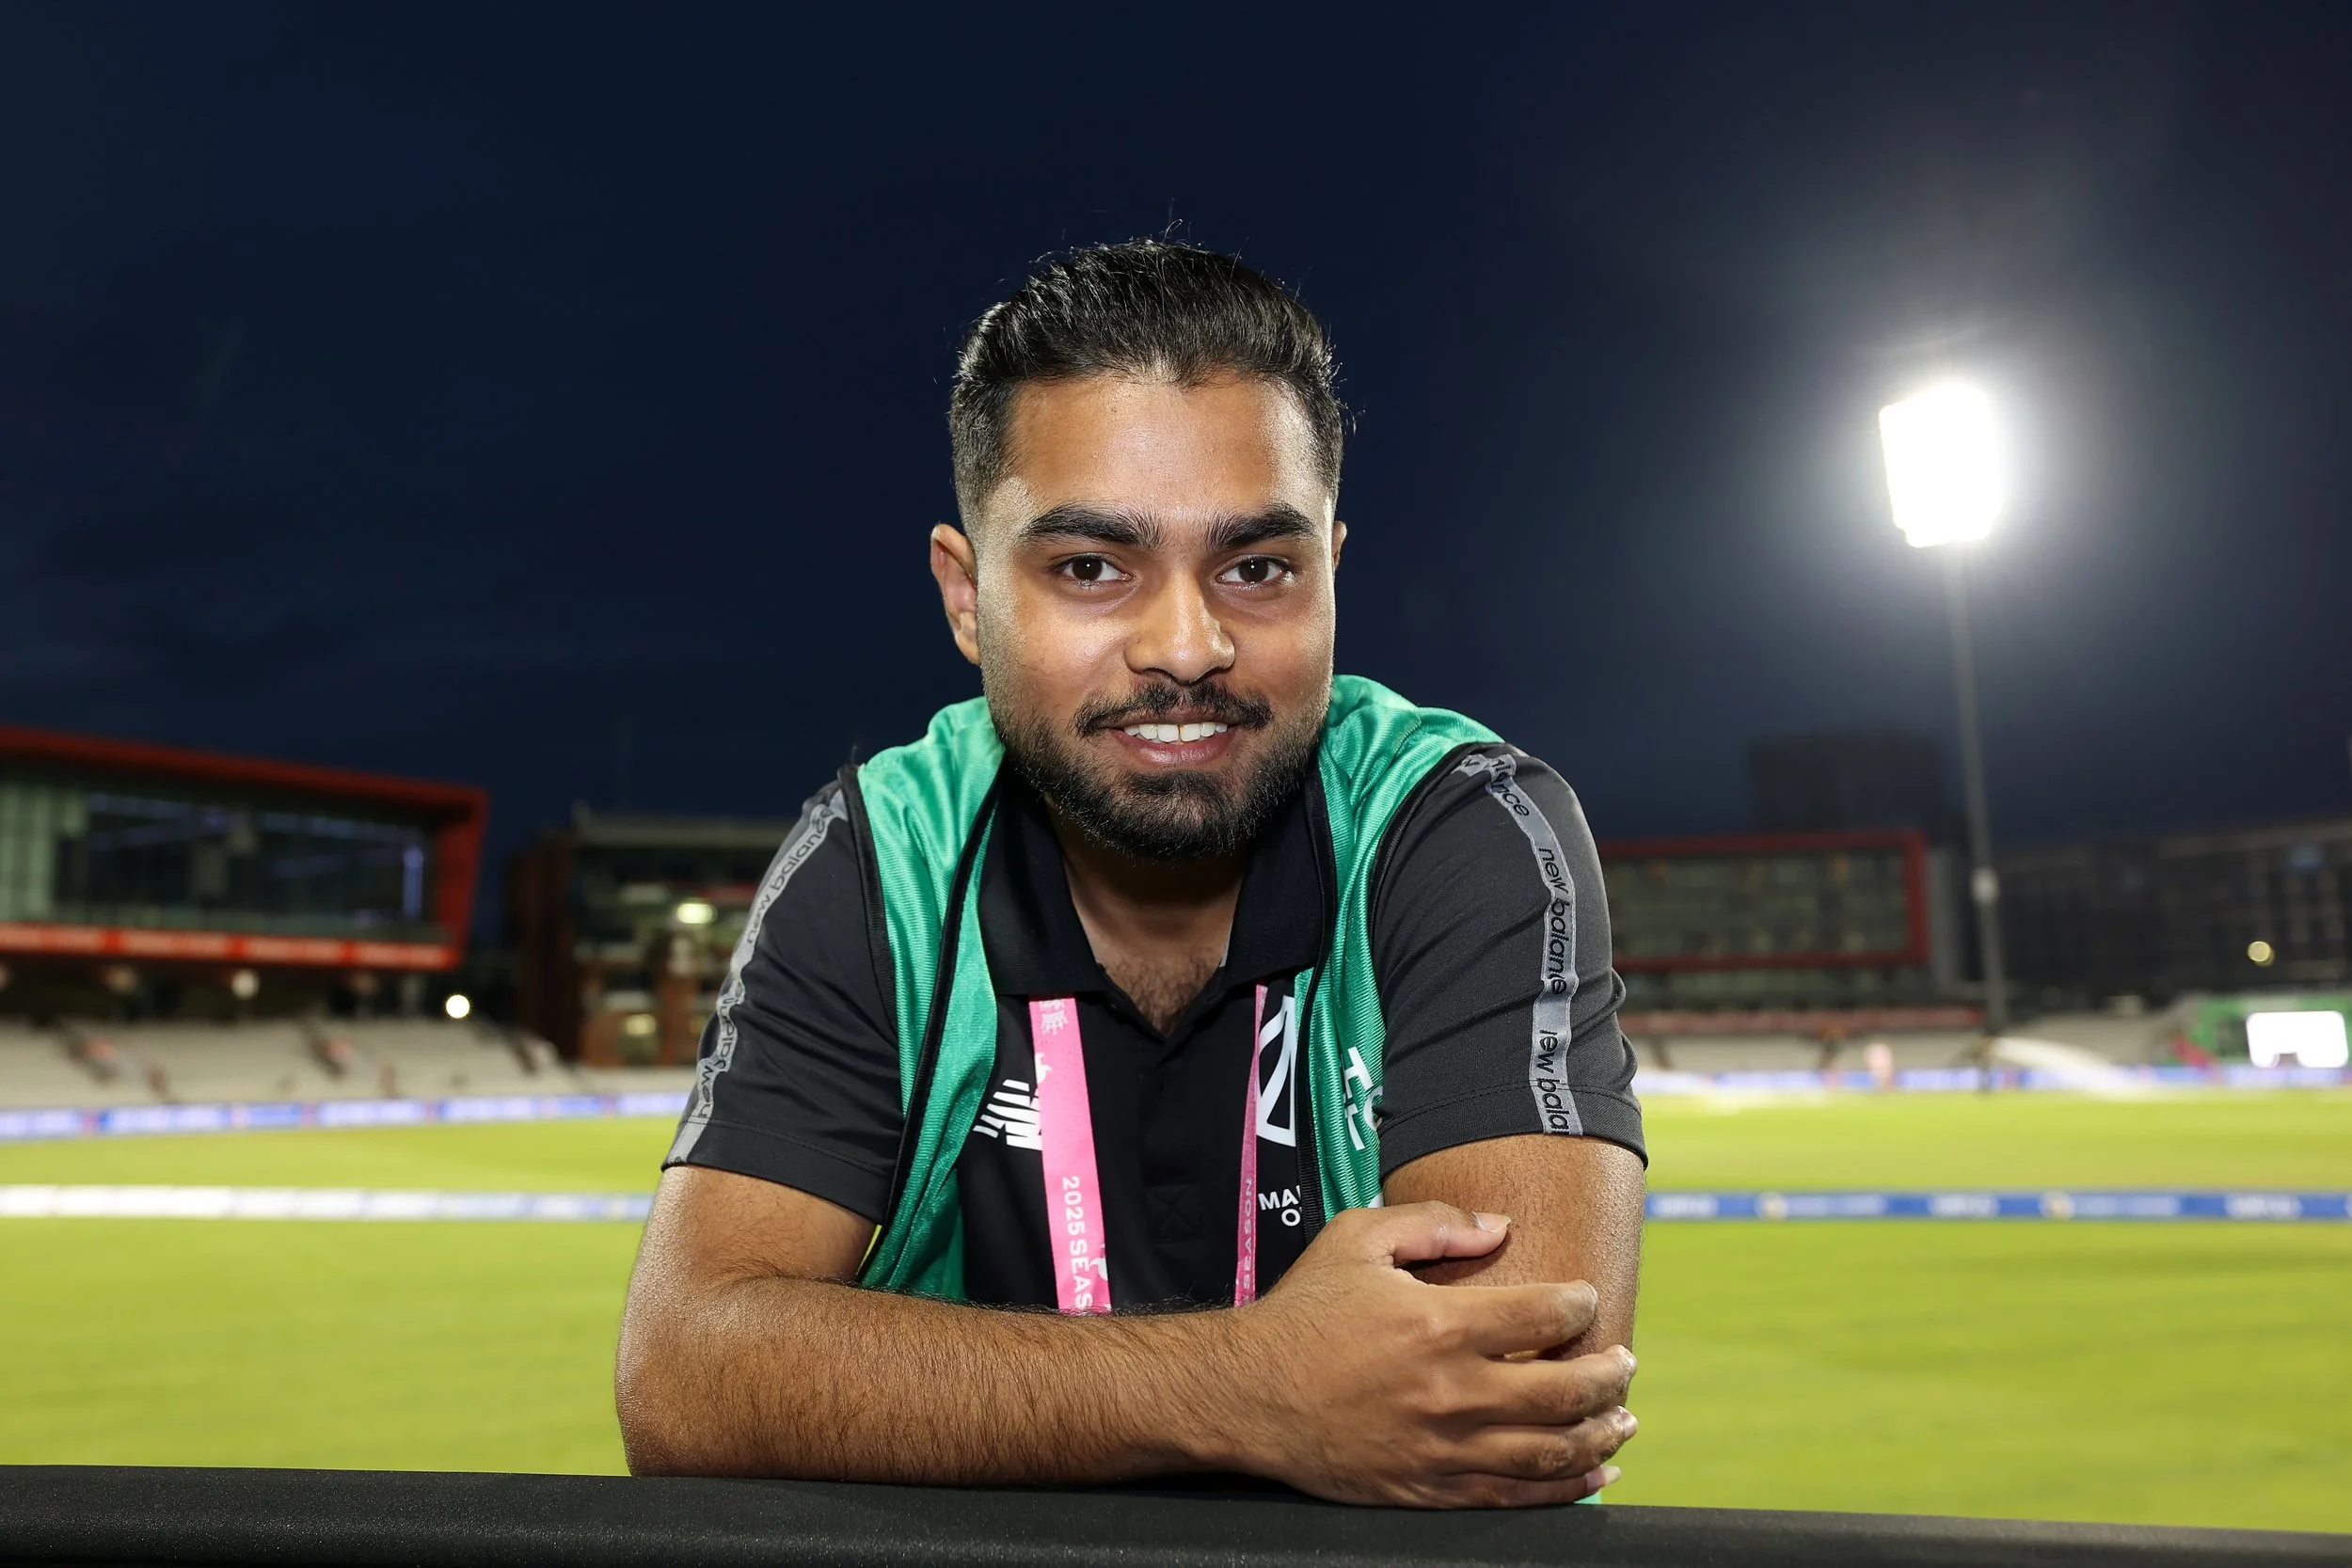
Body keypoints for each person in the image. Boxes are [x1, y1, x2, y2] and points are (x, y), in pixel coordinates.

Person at [615, 240, 1646, 1508]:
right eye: (1091, 568)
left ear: (1332, 571)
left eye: (1257, 568)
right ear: (967, 597)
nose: (1187, 646)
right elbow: (683, 1375)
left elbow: (1517, 1394)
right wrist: (1249, 1383)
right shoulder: (884, 855)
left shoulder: (1459, 827)